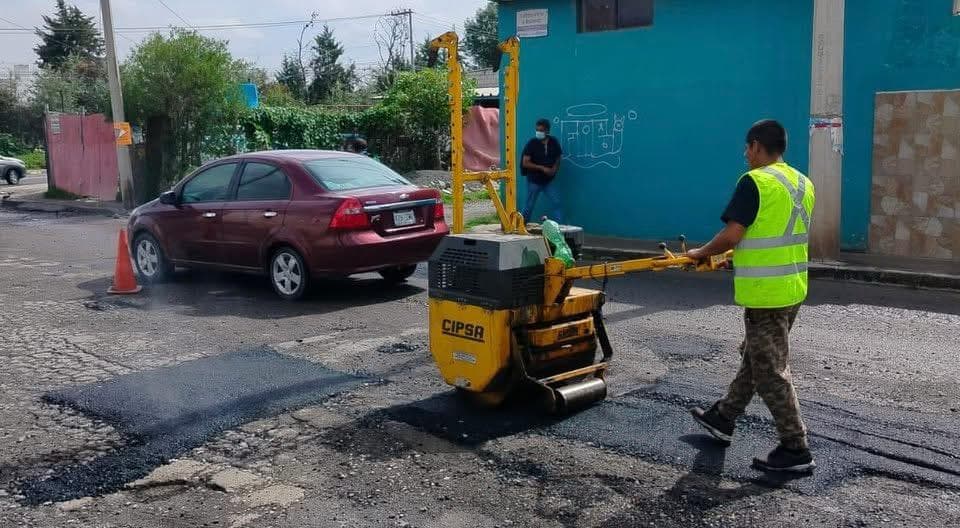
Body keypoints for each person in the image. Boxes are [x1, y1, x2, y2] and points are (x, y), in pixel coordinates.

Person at [686, 119, 817, 473]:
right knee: (757, 357)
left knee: (770, 369)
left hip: (767, 294)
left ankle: (795, 448)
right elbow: (772, 234)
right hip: (792, 288)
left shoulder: (755, 181)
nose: (745, 154)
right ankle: (723, 416)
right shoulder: (801, 183)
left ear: (758, 146)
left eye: (747, 147)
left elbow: (733, 233)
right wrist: (735, 258)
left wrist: (701, 253)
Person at [521, 118, 563, 224]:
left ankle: (561, 228)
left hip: (548, 181)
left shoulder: (554, 142)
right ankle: (522, 225)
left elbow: (558, 157)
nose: (538, 133)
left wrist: (554, 169)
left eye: (541, 130)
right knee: (529, 205)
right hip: (534, 181)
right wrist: (542, 168)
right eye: (537, 130)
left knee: (556, 202)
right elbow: (525, 162)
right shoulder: (532, 143)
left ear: (547, 131)